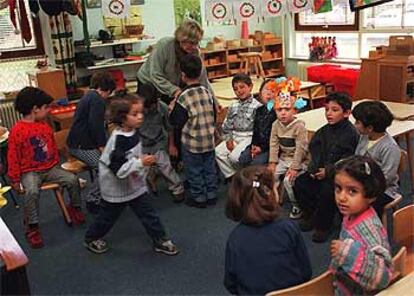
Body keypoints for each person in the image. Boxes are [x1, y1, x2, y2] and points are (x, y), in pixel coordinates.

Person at [84, 92, 178, 256]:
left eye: (141, 112)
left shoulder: (132, 132)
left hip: (134, 186)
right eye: (135, 114)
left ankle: (160, 239)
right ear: (122, 117)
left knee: (149, 214)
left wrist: (138, 159)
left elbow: (130, 157)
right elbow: (119, 170)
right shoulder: (118, 140)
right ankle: (91, 237)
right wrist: (141, 162)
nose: (140, 117)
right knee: (107, 217)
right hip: (116, 189)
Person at [7, 87, 84, 248]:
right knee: (32, 191)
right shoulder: (17, 131)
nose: (49, 110)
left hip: (50, 169)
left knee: (72, 179)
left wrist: (56, 164)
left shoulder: (44, 126)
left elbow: (52, 148)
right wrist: (14, 179)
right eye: (46, 107)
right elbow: (13, 157)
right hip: (30, 171)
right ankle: (32, 226)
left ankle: (74, 208)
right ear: (35, 109)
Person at [224, 166, 312, 295]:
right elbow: (306, 272)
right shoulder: (289, 228)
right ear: (271, 193)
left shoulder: (235, 239)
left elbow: (231, 284)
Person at [294, 92, 359, 243]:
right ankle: (310, 214)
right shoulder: (323, 131)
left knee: (327, 191)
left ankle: (323, 225)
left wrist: (328, 171)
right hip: (320, 171)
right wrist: (313, 168)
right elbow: (315, 150)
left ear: (346, 113)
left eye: (334, 110)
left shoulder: (351, 134)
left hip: (340, 175)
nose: (329, 114)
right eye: (327, 109)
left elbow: (348, 160)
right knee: (300, 183)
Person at [330, 155, 392, 295]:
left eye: (352, 191)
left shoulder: (370, 229)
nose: (341, 197)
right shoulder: (351, 214)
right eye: (338, 188)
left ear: (370, 195)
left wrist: (347, 252)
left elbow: (383, 277)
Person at [169, 54, 217, 208]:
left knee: (194, 170)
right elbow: (214, 113)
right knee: (209, 168)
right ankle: (211, 194)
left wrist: (171, 109)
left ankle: (199, 197)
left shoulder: (183, 96)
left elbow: (175, 121)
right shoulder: (206, 91)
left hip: (192, 143)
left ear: (183, 75)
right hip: (209, 140)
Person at [67, 72, 116, 214]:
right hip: (82, 146)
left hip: (78, 143)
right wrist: (102, 147)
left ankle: (102, 195)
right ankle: (93, 199)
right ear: (105, 90)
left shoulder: (88, 96)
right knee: (106, 167)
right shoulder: (97, 100)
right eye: (109, 93)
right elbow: (96, 126)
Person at [267, 78, 309, 219]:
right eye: (279, 110)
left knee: (288, 180)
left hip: (299, 160)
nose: (283, 113)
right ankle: (274, 198)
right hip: (284, 158)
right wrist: (272, 162)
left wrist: (295, 167)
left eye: (287, 109)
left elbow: (301, 149)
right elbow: (273, 144)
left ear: (295, 109)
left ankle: (296, 205)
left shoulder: (299, 126)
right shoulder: (275, 125)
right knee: (270, 176)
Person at [352, 101, 400, 218]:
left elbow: (386, 177)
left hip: (383, 188)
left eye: (357, 122)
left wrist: (363, 187)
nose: (354, 125)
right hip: (361, 181)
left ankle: (369, 230)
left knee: (365, 204)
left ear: (369, 128)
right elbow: (357, 158)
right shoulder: (364, 137)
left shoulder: (390, 147)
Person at [138, 84, 185, 202]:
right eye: (146, 107)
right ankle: (145, 187)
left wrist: (172, 145)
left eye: (152, 106)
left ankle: (177, 189)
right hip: (141, 144)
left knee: (166, 167)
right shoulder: (135, 110)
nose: (149, 109)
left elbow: (169, 128)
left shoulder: (162, 107)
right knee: (140, 171)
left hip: (158, 142)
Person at [215, 74, 261, 180]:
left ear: (250, 87)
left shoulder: (257, 106)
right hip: (234, 135)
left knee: (234, 157)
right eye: (235, 89)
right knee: (218, 152)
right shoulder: (233, 106)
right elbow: (227, 125)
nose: (239, 91)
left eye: (242, 87)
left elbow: (259, 129)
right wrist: (228, 139)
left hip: (249, 137)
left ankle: (242, 175)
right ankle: (233, 176)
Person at [238, 79, 277, 166]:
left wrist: (261, 148)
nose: (269, 93)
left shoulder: (278, 112)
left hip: (270, 147)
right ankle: (246, 178)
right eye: (267, 89)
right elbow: (255, 131)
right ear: (260, 94)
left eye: (273, 90)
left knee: (257, 163)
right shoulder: (259, 110)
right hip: (257, 144)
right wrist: (254, 145)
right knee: (243, 159)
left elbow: (274, 138)